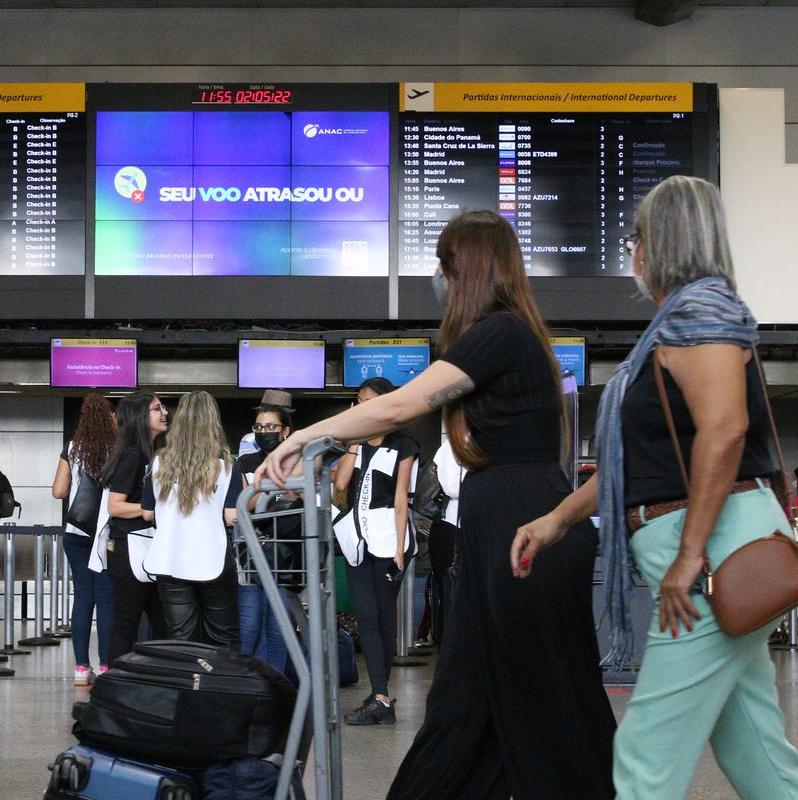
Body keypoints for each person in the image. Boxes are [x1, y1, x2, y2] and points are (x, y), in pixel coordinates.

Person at [261, 209, 615, 797]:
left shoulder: (500, 333)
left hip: (520, 521)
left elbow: (401, 405)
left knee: (546, 699)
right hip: (503, 517)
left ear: (468, 271)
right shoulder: (508, 336)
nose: (439, 281)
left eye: (445, 267)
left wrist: (303, 436)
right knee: (470, 697)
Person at [513, 176, 798, 799]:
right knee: (756, 751)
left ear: (660, 243)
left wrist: (688, 557)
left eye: (637, 238)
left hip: (710, 557)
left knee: (645, 753)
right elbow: (642, 465)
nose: (633, 252)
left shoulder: (701, 313)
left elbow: (725, 431)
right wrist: (559, 519)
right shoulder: (684, 318)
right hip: (718, 547)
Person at [331, 376, 420, 726]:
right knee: (366, 615)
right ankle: (380, 694)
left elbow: (401, 499)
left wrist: (399, 550)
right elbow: (340, 484)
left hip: (388, 539)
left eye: (368, 400)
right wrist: (354, 441)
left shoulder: (404, 444)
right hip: (356, 540)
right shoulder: (356, 444)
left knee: (383, 616)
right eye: (358, 400)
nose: (361, 405)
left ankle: (382, 696)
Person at [141, 391, 242, 649]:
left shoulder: (159, 462)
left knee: (180, 637)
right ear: (213, 421)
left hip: (169, 558)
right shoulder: (226, 465)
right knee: (223, 637)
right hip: (213, 559)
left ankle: (186, 688)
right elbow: (232, 517)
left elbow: (147, 513)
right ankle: (219, 688)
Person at [53, 393, 118, 684]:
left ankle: (81, 669)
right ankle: (106, 666)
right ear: (109, 418)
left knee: (82, 598)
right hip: (107, 533)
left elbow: (58, 491)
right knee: (105, 600)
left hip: (77, 532)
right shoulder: (118, 448)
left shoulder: (72, 448)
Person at [234, 390, 301, 673]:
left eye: (271, 427)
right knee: (248, 628)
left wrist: (260, 496)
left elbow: (301, 499)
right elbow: (243, 503)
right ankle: (253, 688)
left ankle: (276, 689)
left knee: (280, 628)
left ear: (285, 431)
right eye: (259, 427)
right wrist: (280, 496)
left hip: (288, 555)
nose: (264, 432)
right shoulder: (245, 462)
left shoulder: (298, 461)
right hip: (252, 553)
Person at [104, 392, 170, 663]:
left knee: (164, 623)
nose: (164, 412)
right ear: (141, 418)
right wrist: (149, 510)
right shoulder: (133, 454)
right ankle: (113, 686)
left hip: (145, 549)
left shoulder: (153, 453)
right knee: (126, 624)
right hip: (130, 549)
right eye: (157, 409)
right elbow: (115, 506)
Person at [425, 439, 463, 647]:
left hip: (451, 528)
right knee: (449, 593)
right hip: (452, 527)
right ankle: (450, 647)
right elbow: (451, 487)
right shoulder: (452, 446)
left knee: (449, 593)